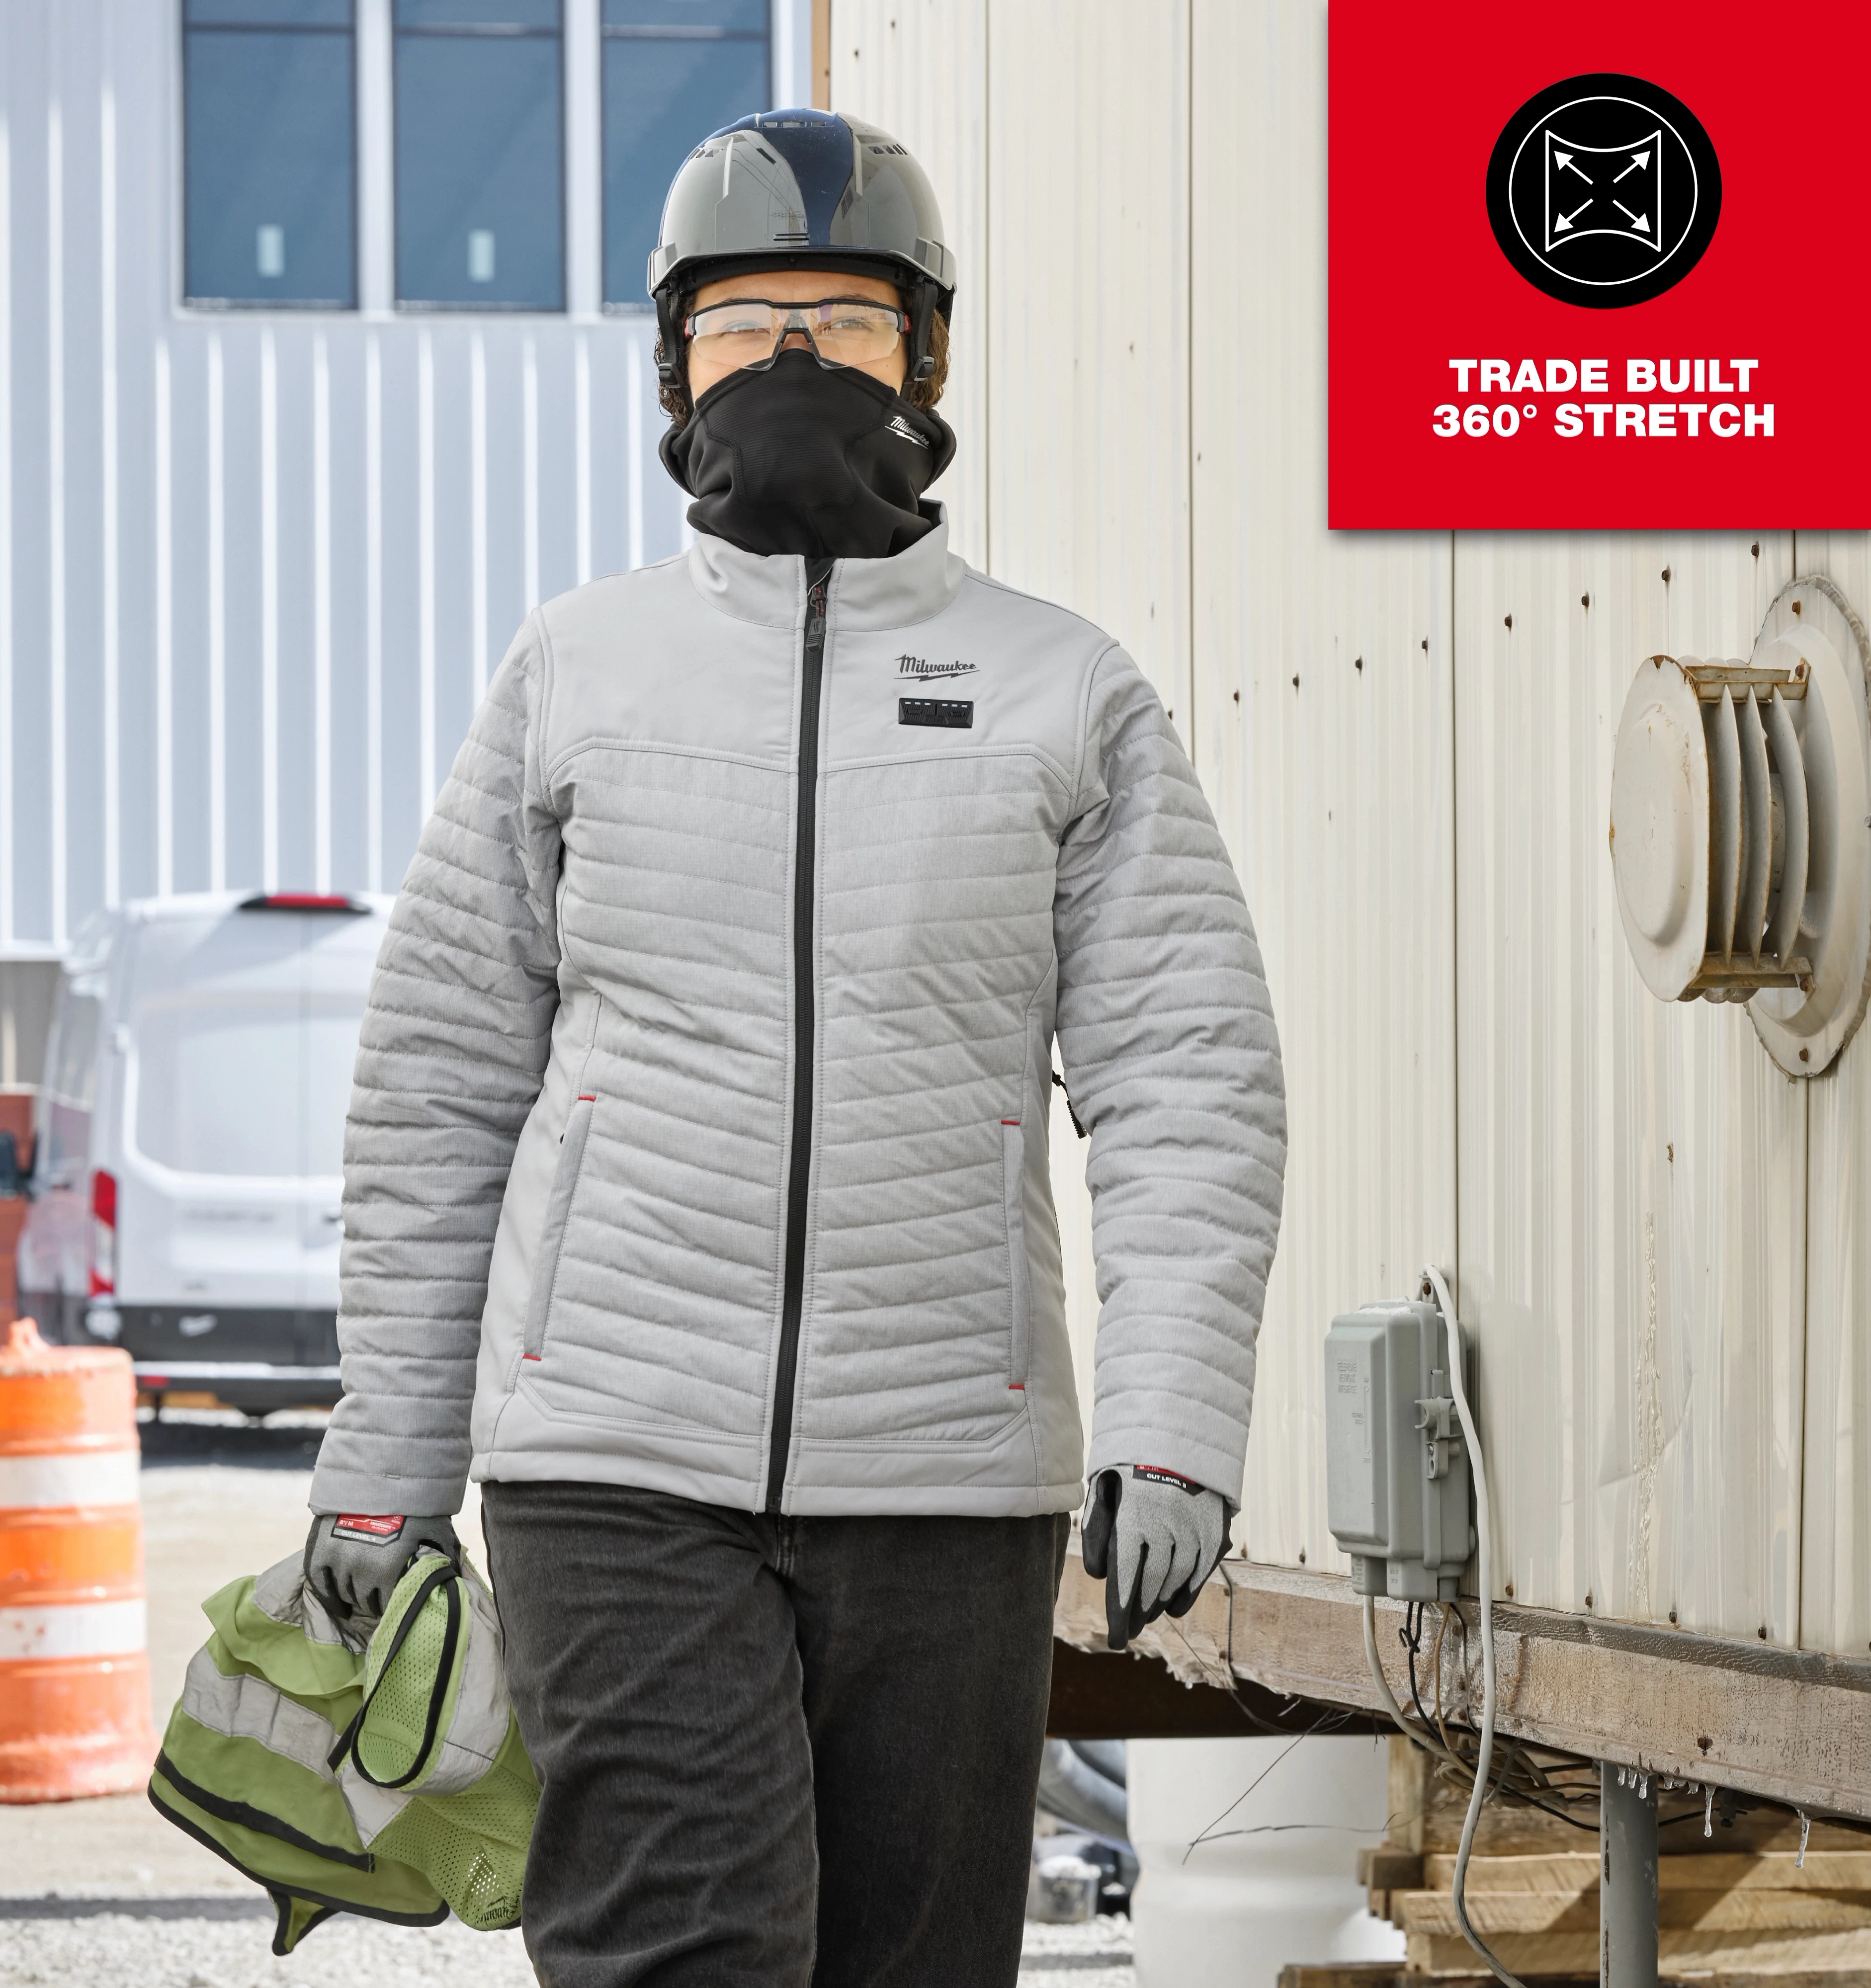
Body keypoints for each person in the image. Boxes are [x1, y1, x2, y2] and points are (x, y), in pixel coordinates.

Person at [304, 107, 1285, 1988]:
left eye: (839, 319)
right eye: (746, 323)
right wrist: (386, 1458)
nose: (793, 364)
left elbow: (1188, 1072)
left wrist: (1172, 1423)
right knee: (685, 1953)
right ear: (673, 361)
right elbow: (442, 1084)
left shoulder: (1058, 690)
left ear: (923, 356)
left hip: (950, 1481)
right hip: (613, 1460)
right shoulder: (579, 673)